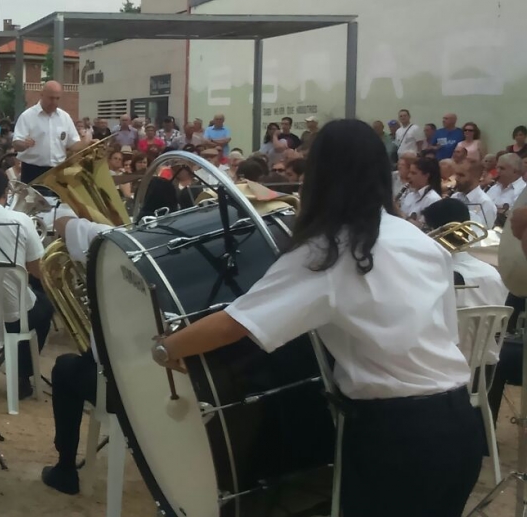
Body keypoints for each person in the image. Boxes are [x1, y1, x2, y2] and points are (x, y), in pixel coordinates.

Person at [153, 119, 481, 517]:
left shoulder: (327, 252)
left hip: (397, 437)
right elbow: (444, 332)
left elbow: (234, 323)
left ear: (319, 178)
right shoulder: (417, 239)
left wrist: (165, 347)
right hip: (460, 424)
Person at [41, 176, 182, 495]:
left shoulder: (112, 238)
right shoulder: (190, 247)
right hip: (176, 384)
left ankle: (66, 468)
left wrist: (83, 206)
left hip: (120, 387)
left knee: (64, 369)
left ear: (139, 207)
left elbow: (62, 221)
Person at [0, 168, 52, 399]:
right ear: (6, 192)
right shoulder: (20, 220)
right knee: (45, 307)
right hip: (13, 317)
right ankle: (22, 373)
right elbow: (37, 270)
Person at [13, 81, 81, 184]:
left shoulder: (65, 117)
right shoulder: (27, 116)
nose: (54, 102)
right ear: (42, 95)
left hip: (58, 171)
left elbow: (73, 143)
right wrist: (24, 144)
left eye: (57, 98)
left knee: (57, 200)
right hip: (32, 170)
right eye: (51, 98)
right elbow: (16, 143)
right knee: (32, 200)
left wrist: (88, 143)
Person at [450, 158, 498, 229]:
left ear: (476, 177)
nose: (456, 179)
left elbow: (482, 234)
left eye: (461, 175)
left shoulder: (485, 203)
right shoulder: (455, 197)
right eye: (456, 174)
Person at [400, 155, 442, 221]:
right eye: (409, 172)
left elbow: (424, 228)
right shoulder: (410, 195)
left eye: (413, 173)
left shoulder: (433, 199)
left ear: (426, 176)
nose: (409, 176)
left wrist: (397, 211)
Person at [488, 154, 526, 226]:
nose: (497, 171)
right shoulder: (494, 187)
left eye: (502, 168)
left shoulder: (523, 191)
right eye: (497, 168)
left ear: (515, 171)